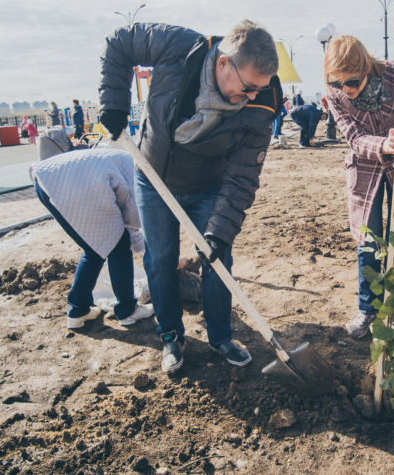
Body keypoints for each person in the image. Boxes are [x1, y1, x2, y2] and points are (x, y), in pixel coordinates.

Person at [98, 20, 282, 373]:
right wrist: (114, 104)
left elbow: (243, 175)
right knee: (160, 258)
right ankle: (170, 335)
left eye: (259, 89)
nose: (252, 96)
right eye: (247, 88)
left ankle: (221, 335)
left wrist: (219, 230)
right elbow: (118, 43)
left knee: (218, 256)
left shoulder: (264, 104)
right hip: (154, 178)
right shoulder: (178, 48)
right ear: (223, 62)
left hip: (208, 185)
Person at [323, 35, 394, 338]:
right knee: (369, 241)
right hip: (366, 169)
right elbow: (354, 137)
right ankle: (368, 309)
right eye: (337, 84)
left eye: (352, 81)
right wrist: (383, 144)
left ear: (365, 67)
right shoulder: (335, 93)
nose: (344, 90)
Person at [30, 148, 153, 330]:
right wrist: (157, 254)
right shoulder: (141, 177)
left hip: (45, 181)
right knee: (119, 247)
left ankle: (78, 310)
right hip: (76, 185)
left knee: (94, 248)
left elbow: (130, 221)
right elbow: (132, 224)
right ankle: (128, 310)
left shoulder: (131, 160)